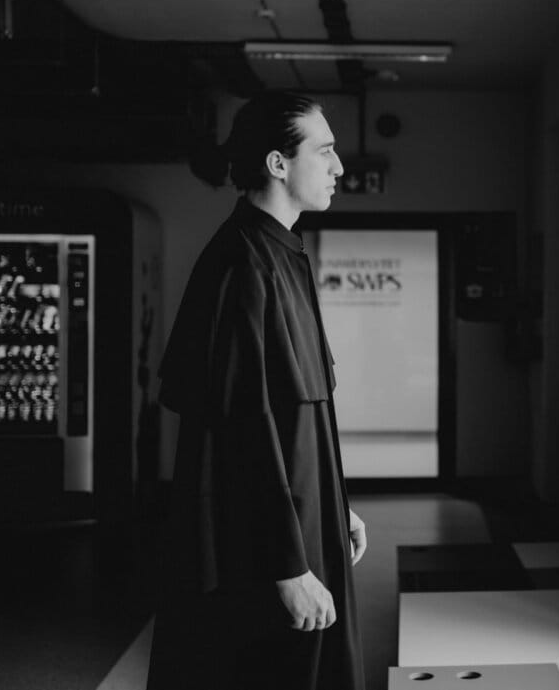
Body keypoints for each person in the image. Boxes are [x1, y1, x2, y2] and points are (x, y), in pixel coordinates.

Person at [146, 91, 365, 690]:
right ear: (277, 164)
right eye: (324, 152)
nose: (339, 167)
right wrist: (287, 567)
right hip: (264, 549)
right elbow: (242, 430)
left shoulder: (280, 250)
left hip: (300, 518)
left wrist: (334, 501)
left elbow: (298, 413)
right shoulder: (241, 263)